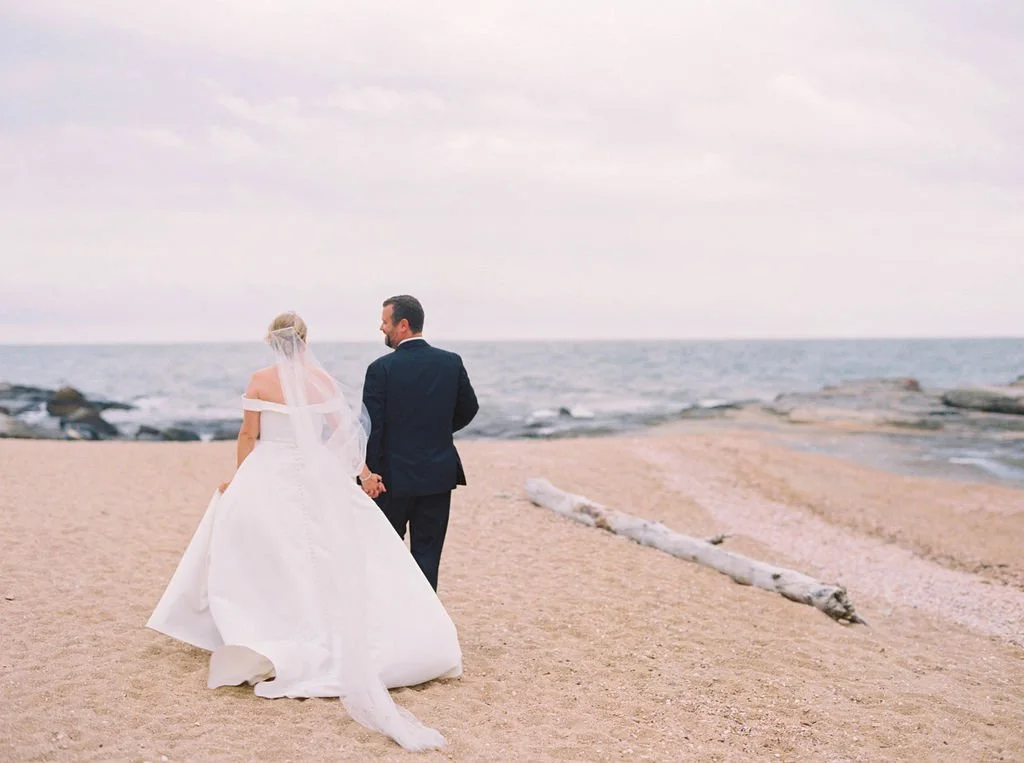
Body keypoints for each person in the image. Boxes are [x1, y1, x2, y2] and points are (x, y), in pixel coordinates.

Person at [146, 312, 461, 752]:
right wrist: (365, 474)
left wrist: (239, 479)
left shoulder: (260, 380)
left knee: (263, 547)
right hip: (318, 474)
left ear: (271, 341)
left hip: (269, 470)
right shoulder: (322, 381)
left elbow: (248, 434)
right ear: (305, 340)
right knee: (331, 550)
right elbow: (343, 434)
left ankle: (264, 622)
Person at [361, 295, 479, 591]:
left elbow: (371, 427)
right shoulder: (450, 362)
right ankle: (425, 617)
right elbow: (469, 409)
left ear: (403, 325)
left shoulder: (380, 369)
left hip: (392, 478)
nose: (381, 327)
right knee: (428, 554)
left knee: (386, 551)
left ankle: (391, 611)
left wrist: (368, 473)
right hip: (437, 474)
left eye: (385, 322)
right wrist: (437, 431)